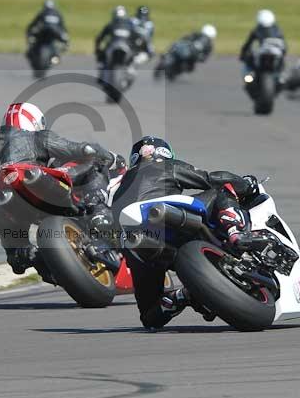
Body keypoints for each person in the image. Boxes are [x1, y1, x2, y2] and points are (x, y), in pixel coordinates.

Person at [111, 136, 258, 329]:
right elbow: (210, 179)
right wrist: (245, 184)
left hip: (136, 245)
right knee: (222, 191)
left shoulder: (119, 189)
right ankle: (236, 232)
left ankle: (180, 297)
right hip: (163, 217)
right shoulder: (164, 165)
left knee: (150, 316)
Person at [0, 102, 116, 274]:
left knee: (18, 255)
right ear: (34, 121)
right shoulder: (36, 136)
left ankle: (34, 259)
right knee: (92, 162)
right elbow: (79, 149)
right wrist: (108, 156)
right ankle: (99, 213)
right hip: (34, 181)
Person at [239, 9, 287, 74]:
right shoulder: (278, 30)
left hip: (272, 68)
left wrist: (242, 55)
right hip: (263, 67)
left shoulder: (257, 30)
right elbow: (284, 48)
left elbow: (247, 44)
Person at [94, 6, 139, 70]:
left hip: (114, 47)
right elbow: (136, 38)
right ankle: (129, 67)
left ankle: (104, 67)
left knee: (103, 59)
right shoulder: (130, 25)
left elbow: (100, 38)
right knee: (133, 54)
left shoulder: (111, 24)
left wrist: (97, 49)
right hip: (125, 48)